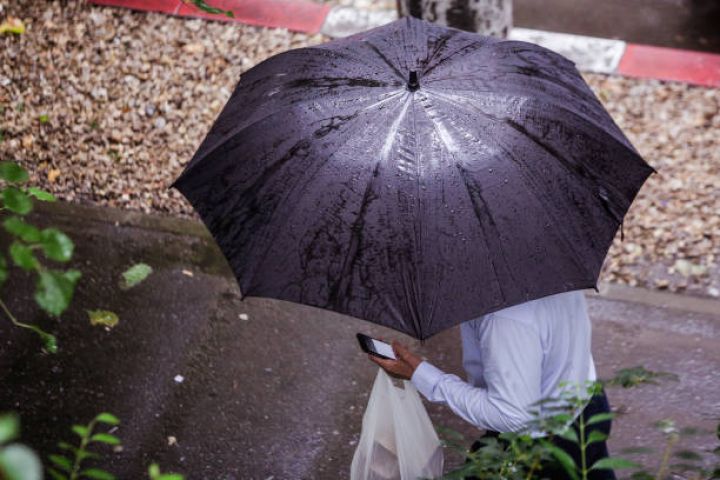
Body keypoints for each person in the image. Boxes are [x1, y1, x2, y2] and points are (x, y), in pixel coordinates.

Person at [368, 290, 616, 480]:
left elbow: (512, 415)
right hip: (587, 403)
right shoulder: (551, 264)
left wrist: (420, 374)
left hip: (543, 443)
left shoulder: (505, 317)